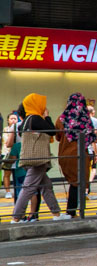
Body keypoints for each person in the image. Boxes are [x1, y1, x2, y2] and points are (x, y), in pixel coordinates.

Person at [11, 93, 63, 222]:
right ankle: (16, 217)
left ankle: (57, 214)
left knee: (46, 186)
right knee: (28, 188)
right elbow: (52, 131)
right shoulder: (36, 118)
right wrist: (47, 116)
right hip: (38, 159)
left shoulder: (27, 119)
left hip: (30, 157)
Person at [54, 93, 93, 218]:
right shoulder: (85, 118)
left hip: (65, 154)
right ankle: (74, 211)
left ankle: (72, 211)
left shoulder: (61, 119)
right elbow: (90, 136)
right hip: (81, 154)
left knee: (73, 183)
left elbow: (58, 137)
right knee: (79, 183)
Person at [2, 111, 17, 198]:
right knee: (7, 174)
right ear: (8, 120)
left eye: (15, 118)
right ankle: (8, 192)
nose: (13, 120)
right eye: (11, 118)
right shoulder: (4, 130)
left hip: (18, 155)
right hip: (7, 154)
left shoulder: (19, 129)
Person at [87, 103, 97, 195]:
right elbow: (94, 139)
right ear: (93, 112)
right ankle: (88, 185)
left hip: (84, 148)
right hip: (93, 148)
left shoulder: (81, 121)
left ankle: (85, 186)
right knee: (93, 168)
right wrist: (96, 154)